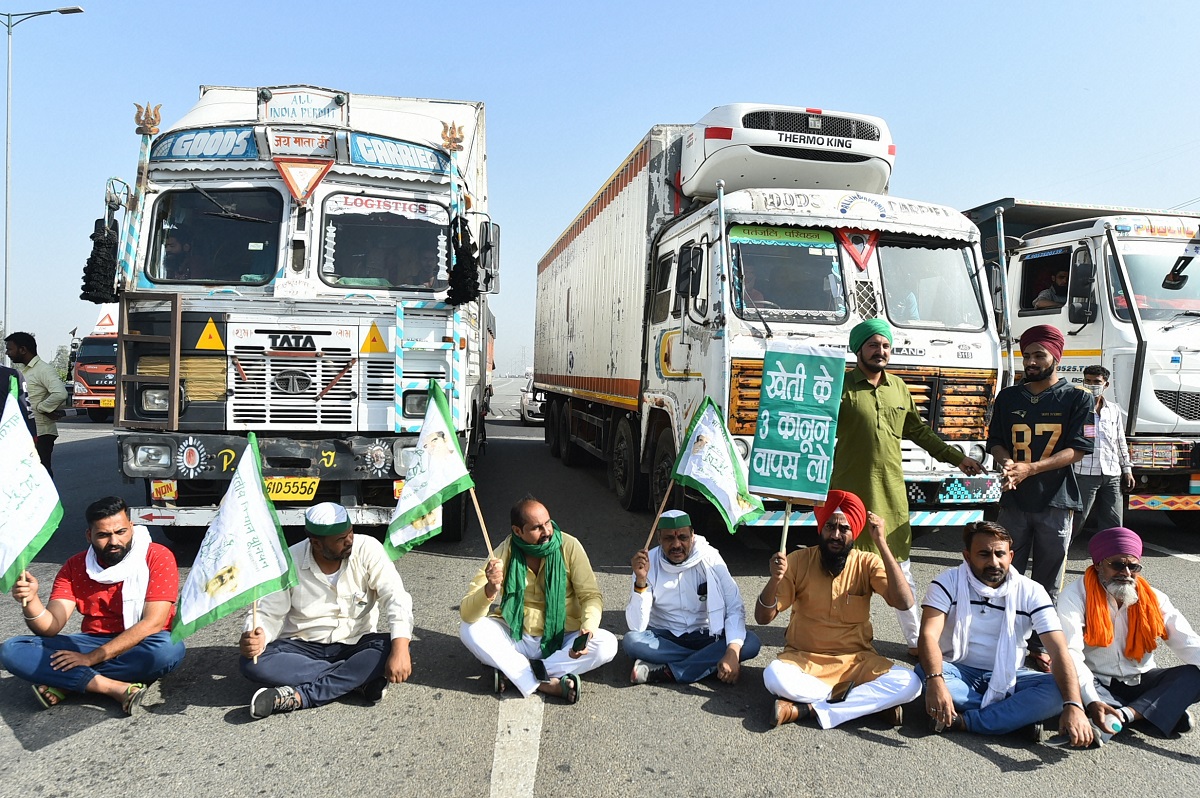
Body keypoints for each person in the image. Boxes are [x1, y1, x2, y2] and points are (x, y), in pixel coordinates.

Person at [831, 318, 984, 655]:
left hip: (890, 496)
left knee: (899, 567)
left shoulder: (899, 388)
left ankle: (917, 642)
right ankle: (842, 637)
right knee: (845, 570)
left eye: (885, 346)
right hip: (847, 496)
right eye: (873, 345)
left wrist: (957, 458)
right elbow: (811, 432)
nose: (881, 351)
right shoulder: (837, 387)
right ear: (858, 349)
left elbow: (920, 432)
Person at [0, 497, 185, 715]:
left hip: (143, 640)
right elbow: (50, 626)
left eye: (121, 532)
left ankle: (66, 682)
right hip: (94, 640)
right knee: (12, 650)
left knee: (168, 650)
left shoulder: (157, 556)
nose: (114, 541)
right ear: (89, 536)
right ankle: (112, 687)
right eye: (104, 535)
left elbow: (153, 623)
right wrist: (31, 600)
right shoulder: (75, 566)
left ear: (132, 528)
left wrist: (91, 658)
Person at [917, 521, 1093, 746]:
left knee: (1060, 691)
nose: (994, 562)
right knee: (925, 673)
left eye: (1000, 554)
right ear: (967, 556)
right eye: (984, 554)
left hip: (1010, 675)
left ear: (1010, 556)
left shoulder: (1032, 592)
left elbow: (1058, 651)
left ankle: (965, 721)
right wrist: (936, 681)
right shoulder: (946, 582)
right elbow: (929, 636)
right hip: (957, 672)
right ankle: (1016, 718)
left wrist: (1074, 706)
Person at [756, 490, 920, 729]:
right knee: (773, 676)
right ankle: (867, 704)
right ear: (820, 529)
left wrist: (882, 544)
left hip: (857, 663)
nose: (835, 535)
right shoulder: (799, 560)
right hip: (804, 660)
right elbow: (762, 618)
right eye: (829, 527)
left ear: (855, 532)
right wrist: (774, 580)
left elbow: (904, 602)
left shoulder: (867, 562)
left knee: (910, 683)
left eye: (844, 529)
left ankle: (805, 709)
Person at [239, 502, 414, 719]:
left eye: (350, 533)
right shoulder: (288, 561)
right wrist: (256, 636)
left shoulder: (368, 549)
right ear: (316, 543)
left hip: (355, 643)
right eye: (341, 539)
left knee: (394, 645)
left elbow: (396, 596)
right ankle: (356, 680)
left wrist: (400, 650)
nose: (349, 540)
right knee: (253, 663)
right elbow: (267, 614)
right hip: (302, 649)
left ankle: (299, 696)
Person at [459, 496, 617, 703]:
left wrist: (588, 628)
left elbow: (591, 596)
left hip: (563, 636)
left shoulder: (569, 546)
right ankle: (544, 682)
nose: (547, 532)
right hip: (517, 634)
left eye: (547, 523)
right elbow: (467, 612)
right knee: (469, 629)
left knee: (607, 644)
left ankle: (514, 672)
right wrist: (490, 588)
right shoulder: (504, 552)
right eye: (537, 528)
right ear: (518, 531)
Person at [987, 324, 1092, 616]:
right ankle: (1002, 633)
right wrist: (1007, 462)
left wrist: (1031, 468)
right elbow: (995, 441)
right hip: (1014, 498)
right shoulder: (1007, 397)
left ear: (1056, 356)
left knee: (1048, 579)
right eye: (1027, 355)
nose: (1031, 362)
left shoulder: (1078, 398)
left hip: (1057, 499)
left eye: (1039, 355)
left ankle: (1039, 641)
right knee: (1004, 572)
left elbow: (1079, 448)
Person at [1059, 526, 1200, 738]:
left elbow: (1187, 641)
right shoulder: (1074, 596)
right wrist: (1091, 698)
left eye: (1133, 567)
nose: (1126, 573)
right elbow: (1071, 654)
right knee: (1067, 689)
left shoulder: (1154, 598)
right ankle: (1156, 711)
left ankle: (1126, 715)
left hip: (1141, 679)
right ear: (1098, 565)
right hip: (1098, 681)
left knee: (1194, 675)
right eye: (1118, 565)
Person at [624, 510, 761, 685]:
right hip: (666, 638)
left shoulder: (710, 557)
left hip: (708, 635)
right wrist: (641, 580)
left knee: (750, 643)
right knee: (632, 642)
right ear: (659, 539)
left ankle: (670, 671)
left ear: (692, 536)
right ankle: (708, 663)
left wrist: (732, 650)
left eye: (683, 537)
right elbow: (637, 626)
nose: (676, 545)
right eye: (669, 539)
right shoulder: (647, 562)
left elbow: (734, 605)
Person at [1072, 365, 1134, 536]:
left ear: (1105, 384)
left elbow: (1120, 440)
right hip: (1084, 472)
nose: (1092, 385)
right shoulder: (1077, 407)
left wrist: (1126, 470)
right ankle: (1058, 556)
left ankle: (1110, 558)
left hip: (1112, 473)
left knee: (1113, 522)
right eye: (1088, 381)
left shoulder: (1113, 409)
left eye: (1097, 382)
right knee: (1078, 519)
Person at [5, 332, 68, 477]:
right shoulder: (21, 371)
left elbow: (60, 393)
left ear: (23, 349)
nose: (7, 353)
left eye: (10, 349)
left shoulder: (43, 369)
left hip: (42, 433)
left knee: (41, 475)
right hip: (26, 433)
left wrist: (42, 407)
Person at [1, 363, 37, 438]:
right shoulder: (11, 374)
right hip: (6, 434)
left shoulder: (12, 375)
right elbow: (25, 408)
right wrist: (32, 434)